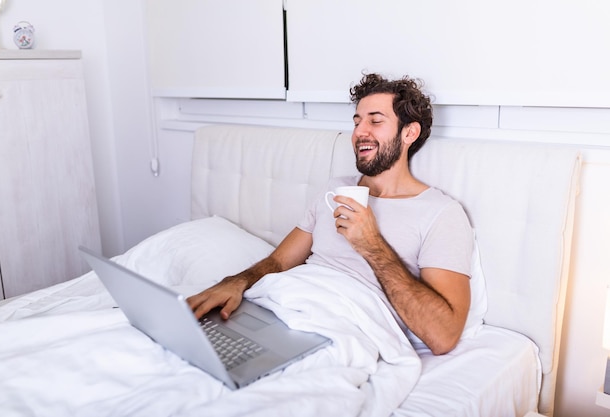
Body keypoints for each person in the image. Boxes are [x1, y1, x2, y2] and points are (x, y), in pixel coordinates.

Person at [187, 73, 474, 355]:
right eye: (357, 121)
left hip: (340, 328)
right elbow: (279, 260)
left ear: (409, 132)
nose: (360, 132)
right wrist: (235, 282)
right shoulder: (335, 189)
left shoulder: (440, 213)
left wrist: (372, 245)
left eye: (375, 120)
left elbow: (443, 336)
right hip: (282, 305)